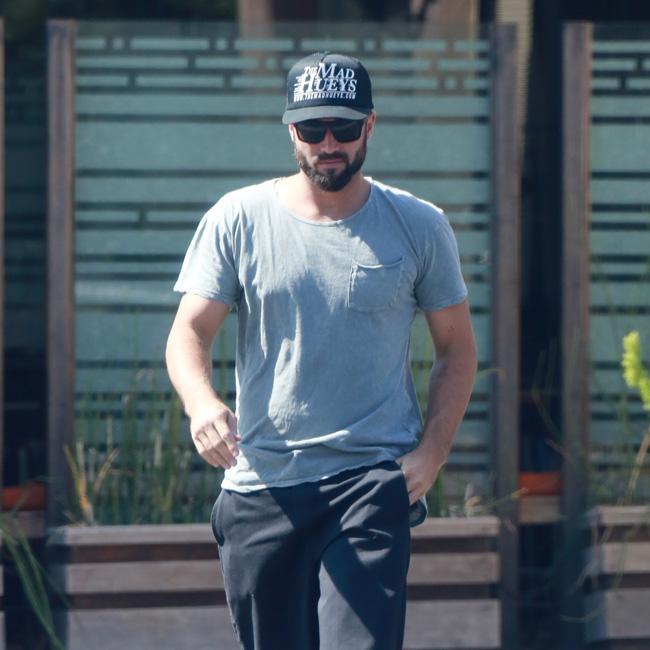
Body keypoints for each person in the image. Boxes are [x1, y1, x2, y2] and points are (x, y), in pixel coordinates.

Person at [166, 51, 477, 650]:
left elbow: (457, 350)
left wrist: (432, 453)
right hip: (261, 487)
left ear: (370, 125)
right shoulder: (238, 219)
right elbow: (189, 333)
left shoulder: (419, 224)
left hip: (369, 484)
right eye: (312, 129)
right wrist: (201, 405)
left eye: (343, 127)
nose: (328, 144)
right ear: (291, 130)